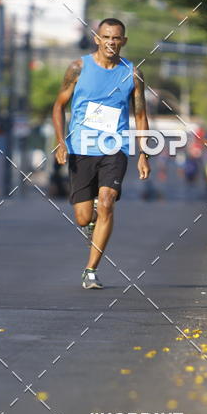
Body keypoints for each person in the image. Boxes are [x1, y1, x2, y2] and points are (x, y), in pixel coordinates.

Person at [51, 18, 150, 289]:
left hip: (114, 147)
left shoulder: (132, 73)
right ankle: (91, 219)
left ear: (124, 41)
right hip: (81, 148)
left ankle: (91, 270)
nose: (111, 42)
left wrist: (143, 154)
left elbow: (140, 116)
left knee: (107, 201)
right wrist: (61, 142)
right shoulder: (78, 68)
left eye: (116, 38)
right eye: (106, 37)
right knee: (83, 217)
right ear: (97, 38)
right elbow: (58, 106)